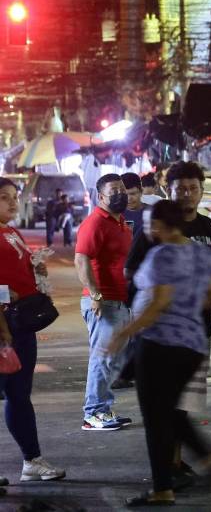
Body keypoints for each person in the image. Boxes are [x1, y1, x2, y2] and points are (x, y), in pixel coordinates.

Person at [106, 200, 211, 507]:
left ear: (159, 225)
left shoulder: (162, 255)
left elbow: (158, 304)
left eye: (149, 222)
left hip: (159, 345)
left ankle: (163, 488)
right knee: (171, 412)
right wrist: (190, 309)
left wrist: (123, 333)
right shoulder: (202, 253)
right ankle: (207, 457)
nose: (147, 228)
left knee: (155, 418)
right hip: (193, 345)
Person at [0, 178, 66, 486]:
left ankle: (31, 460)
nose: (13, 203)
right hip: (3, 327)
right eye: (4, 198)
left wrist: (36, 271)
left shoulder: (12, 232)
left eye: (14, 197)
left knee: (18, 394)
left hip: (20, 324)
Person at [74, 173, 134, 431]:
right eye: (114, 190)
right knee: (103, 359)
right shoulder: (95, 222)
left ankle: (103, 408)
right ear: (100, 197)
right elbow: (81, 259)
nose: (121, 194)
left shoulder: (120, 223)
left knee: (113, 361)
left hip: (120, 300)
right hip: (103, 301)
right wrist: (96, 295)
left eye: (122, 189)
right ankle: (93, 413)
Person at [120, 172, 146, 239]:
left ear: (141, 191)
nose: (129, 199)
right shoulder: (115, 214)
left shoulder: (153, 212)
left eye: (133, 194)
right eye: (125, 195)